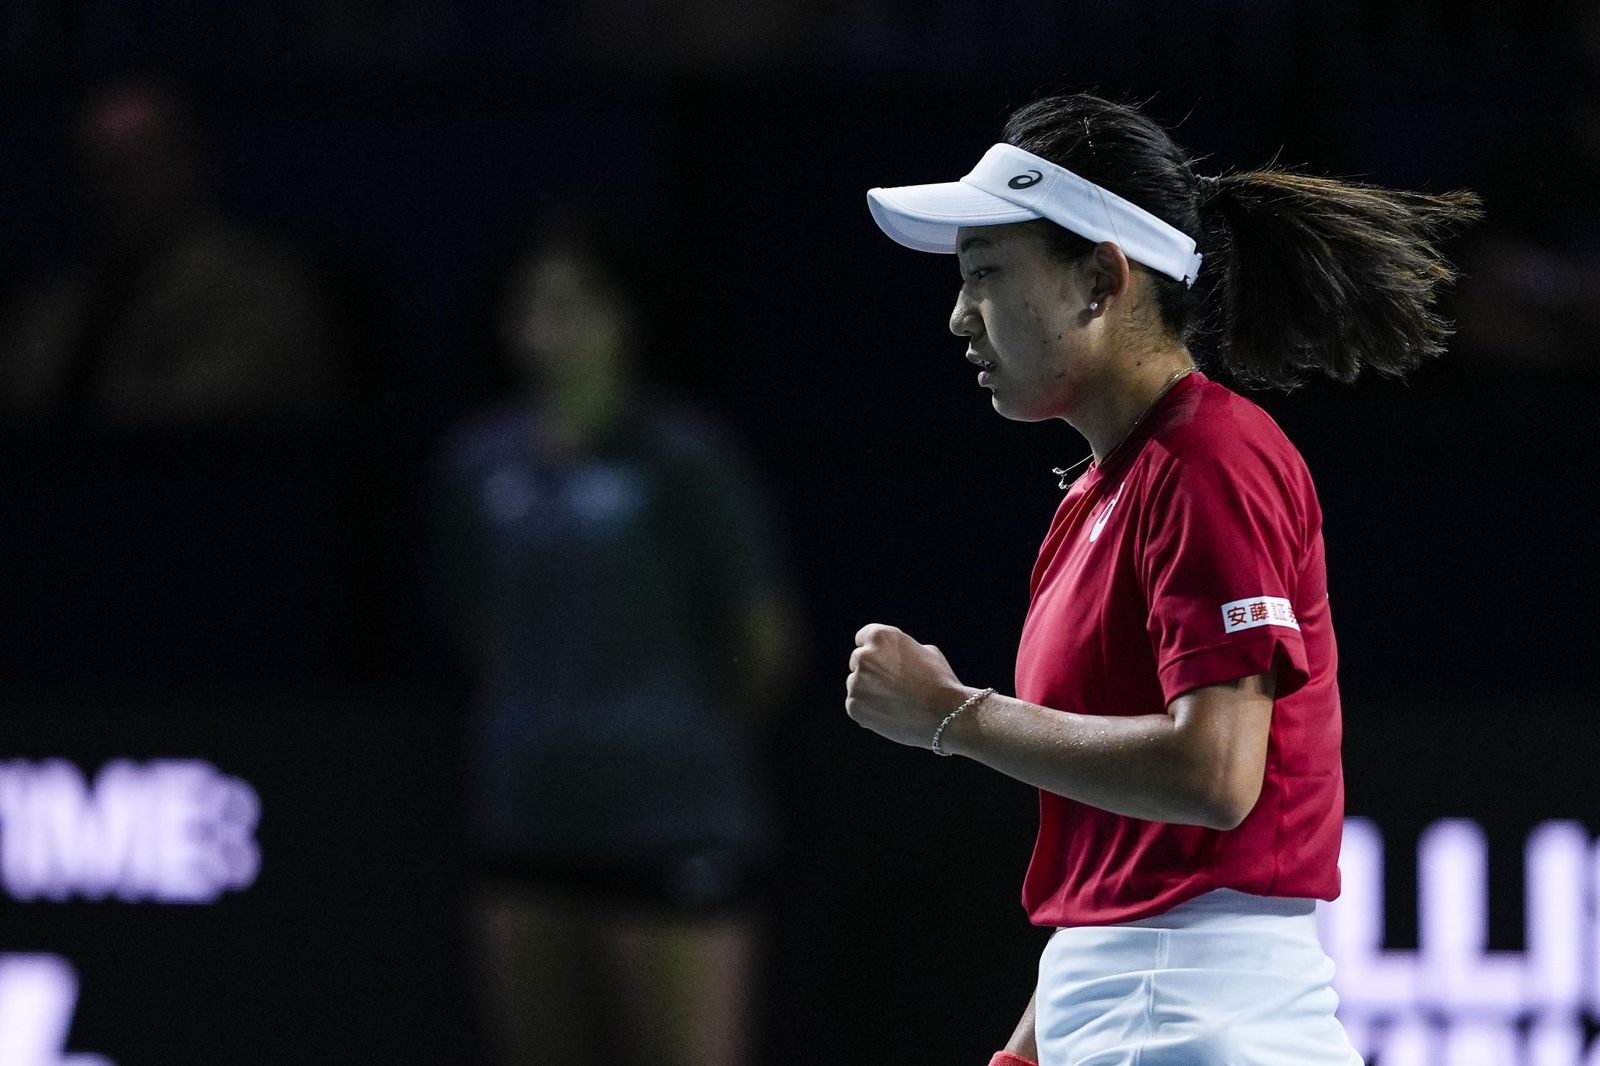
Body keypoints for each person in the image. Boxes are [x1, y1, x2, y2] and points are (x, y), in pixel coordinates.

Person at [845, 93, 1481, 1066]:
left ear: (1101, 279)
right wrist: (1028, 1046)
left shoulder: (1210, 462)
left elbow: (1214, 774)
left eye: (983, 275)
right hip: (1126, 1008)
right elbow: (1125, 869)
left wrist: (950, 714)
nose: (958, 315)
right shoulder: (1098, 496)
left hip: (1192, 1024)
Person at [427, 218, 795, 1066]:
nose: (549, 323)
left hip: (673, 817)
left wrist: (668, 736)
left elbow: (764, 643)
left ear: (625, 319)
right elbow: (477, 624)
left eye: (575, 302)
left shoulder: (687, 461)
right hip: (526, 814)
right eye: (532, 303)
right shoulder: (476, 466)